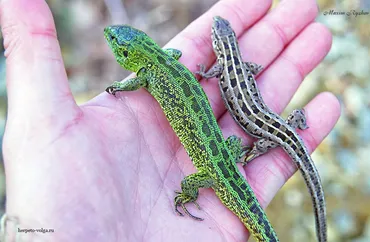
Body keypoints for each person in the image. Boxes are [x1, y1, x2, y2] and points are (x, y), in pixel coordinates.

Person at [0, 0, 340, 241]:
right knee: (249, 196)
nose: (111, 37)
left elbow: (132, 83)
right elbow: (173, 55)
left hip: (213, 172)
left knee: (200, 190)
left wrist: (120, 86)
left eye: (118, 40)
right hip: (223, 153)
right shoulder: (166, 57)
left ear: (131, 53)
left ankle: (187, 195)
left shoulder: (145, 73)